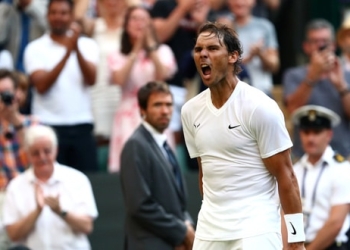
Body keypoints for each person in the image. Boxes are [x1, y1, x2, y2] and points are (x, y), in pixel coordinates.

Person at [181, 22, 305, 250]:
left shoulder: (260, 107)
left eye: (212, 48)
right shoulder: (190, 111)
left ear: (233, 56)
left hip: (256, 230)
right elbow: (204, 173)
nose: (203, 54)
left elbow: (287, 176)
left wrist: (296, 241)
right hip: (210, 231)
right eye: (198, 49)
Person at [24, 0, 99, 172]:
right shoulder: (35, 48)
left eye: (63, 13)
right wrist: (67, 53)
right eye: (54, 13)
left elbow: (91, 79)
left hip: (82, 123)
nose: (58, 17)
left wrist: (76, 49)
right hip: (48, 124)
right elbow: (41, 86)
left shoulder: (88, 45)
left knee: (88, 179)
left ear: (72, 16)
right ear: (47, 16)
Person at [120, 81, 195, 250]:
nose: (165, 111)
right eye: (157, 105)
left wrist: (187, 227)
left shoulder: (164, 144)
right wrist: (182, 232)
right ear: (142, 110)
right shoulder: (135, 145)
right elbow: (140, 206)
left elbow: (178, 202)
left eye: (169, 105)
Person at [3, 124, 98, 249]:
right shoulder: (15, 186)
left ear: (56, 150)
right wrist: (37, 212)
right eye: (35, 153)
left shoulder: (77, 179)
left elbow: (87, 226)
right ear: (27, 155)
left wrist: (61, 211)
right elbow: (13, 235)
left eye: (47, 151)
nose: (42, 157)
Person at [108, 5, 177, 172]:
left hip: (157, 111)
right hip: (128, 115)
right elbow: (119, 79)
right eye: (135, 19)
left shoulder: (163, 51)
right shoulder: (117, 54)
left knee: (161, 168)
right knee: (130, 168)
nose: (139, 24)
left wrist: (150, 47)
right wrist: (136, 49)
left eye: (144, 20)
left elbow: (163, 76)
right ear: (126, 24)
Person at [283, 19, 350, 161]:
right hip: (304, 157)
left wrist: (342, 87)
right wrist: (312, 76)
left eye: (325, 41)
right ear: (306, 47)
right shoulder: (293, 75)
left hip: (342, 156)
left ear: (333, 45)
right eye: (315, 41)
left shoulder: (346, 75)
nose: (321, 46)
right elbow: (292, 110)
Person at [288, 105, 350, 250]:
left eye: (316, 132)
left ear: (329, 134)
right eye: (306, 132)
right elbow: (285, 215)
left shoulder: (342, 169)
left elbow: (336, 222)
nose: (310, 138)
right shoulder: (295, 171)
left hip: (332, 246)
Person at [0, 69, 37, 249]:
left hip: (28, 195)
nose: (3, 98)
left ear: (18, 93)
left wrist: (16, 121)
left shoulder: (34, 124)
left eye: (6, 93)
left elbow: (37, 161)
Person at [226, 0, 280, 96]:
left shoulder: (264, 26)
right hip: (231, 93)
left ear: (253, 2)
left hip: (261, 91)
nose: (239, 2)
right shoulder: (222, 27)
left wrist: (260, 54)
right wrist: (249, 57)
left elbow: (274, 65)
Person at [0, 0, 47, 72]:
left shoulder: (45, 4)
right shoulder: (6, 5)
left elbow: (51, 27)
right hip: (11, 70)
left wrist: (31, 5)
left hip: (37, 68)